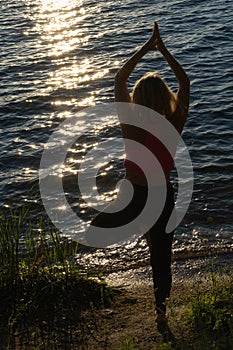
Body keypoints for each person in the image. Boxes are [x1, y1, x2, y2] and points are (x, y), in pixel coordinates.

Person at [90, 21, 190, 338]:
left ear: (137, 96)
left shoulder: (130, 125)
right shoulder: (174, 124)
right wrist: (165, 51)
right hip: (161, 198)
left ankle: (80, 278)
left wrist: (146, 48)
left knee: (92, 233)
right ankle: (161, 315)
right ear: (165, 97)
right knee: (161, 257)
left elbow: (120, 78)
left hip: (134, 195)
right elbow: (184, 82)